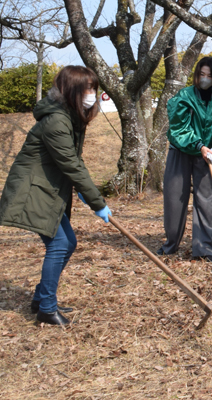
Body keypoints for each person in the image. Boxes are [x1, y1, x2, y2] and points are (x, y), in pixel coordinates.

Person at [0, 66, 112, 326]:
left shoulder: (67, 117)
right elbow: (70, 164)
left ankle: (41, 299)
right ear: (71, 90)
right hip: (33, 191)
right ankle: (46, 308)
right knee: (59, 244)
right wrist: (97, 202)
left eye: (94, 89)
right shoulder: (56, 121)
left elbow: (75, 162)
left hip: (46, 189)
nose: (91, 95)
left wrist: (88, 194)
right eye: (87, 89)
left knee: (68, 242)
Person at [158, 57, 212, 262]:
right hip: (180, 152)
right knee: (175, 198)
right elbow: (179, 129)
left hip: (206, 156)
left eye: (210, 76)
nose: (205, 79)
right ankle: (171, 244)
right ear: (197, 75)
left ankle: (206, 249)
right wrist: (199, 145)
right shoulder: (184, 97)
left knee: (206, 200)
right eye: (202, 75)